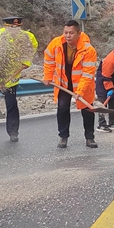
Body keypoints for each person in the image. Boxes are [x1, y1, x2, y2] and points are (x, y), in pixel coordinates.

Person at [43, 20, 98, 149]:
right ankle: (63, 136)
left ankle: (90, 138)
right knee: (62, 108)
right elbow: (48, 59)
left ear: (79, 33)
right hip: (63, 82)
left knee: (87, 109)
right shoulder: (56, 43)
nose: (67, 36)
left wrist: (80, 91)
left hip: (82, 85)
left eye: (71, 33)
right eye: (65, 32)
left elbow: (88, 73)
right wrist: (47, 76)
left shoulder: (88, 50)